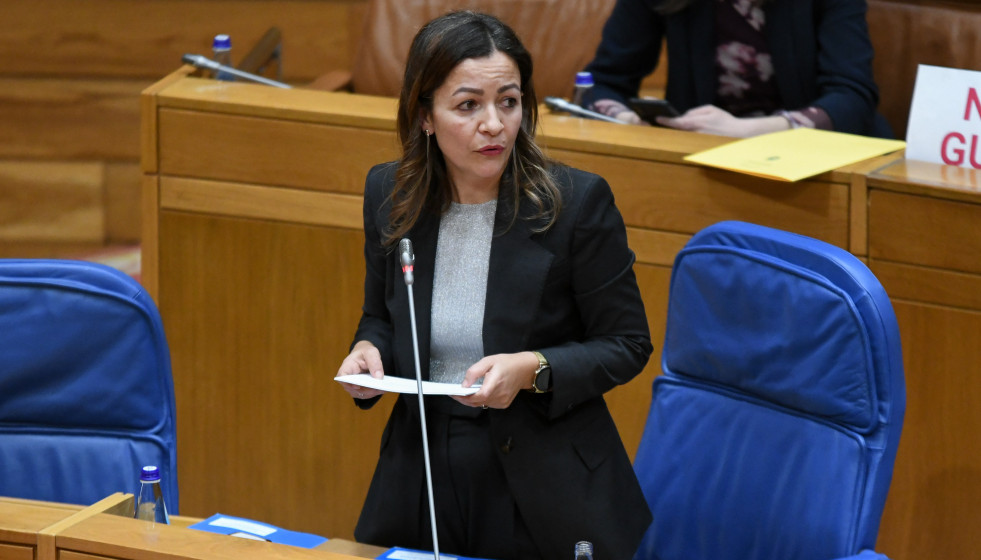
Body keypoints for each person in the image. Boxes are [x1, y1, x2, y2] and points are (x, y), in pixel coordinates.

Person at [335, 10, 653, 560]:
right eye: (468, 106)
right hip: (424, 465)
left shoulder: (575, 204)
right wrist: (368, 352)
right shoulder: (390, 192)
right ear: (424, 116)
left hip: (543, 479)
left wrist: (534, 368)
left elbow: (627, 343)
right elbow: (382, 316)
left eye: (509, 101)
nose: (494, 124)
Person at [583, 0, 894, 138]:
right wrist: (627, 119)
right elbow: (600, 83)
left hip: (815, 162)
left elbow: (853, 97)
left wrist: (745, 131)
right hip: (702, 156)